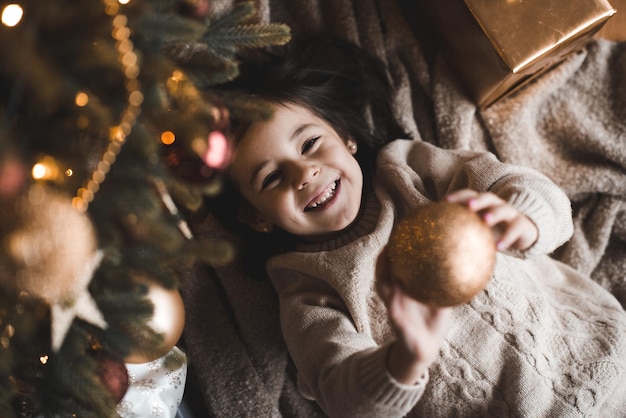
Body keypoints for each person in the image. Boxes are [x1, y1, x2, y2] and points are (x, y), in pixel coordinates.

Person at [209, 38, 626, 417]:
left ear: (347, 136)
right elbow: (343, 396)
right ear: (256, 217)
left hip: (602, 356)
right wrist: (406, 359)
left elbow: (526, 188)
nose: (305, 173)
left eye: (310, 144)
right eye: (272, 179)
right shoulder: (308, 293)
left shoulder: (407, 170)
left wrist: (523, 215)